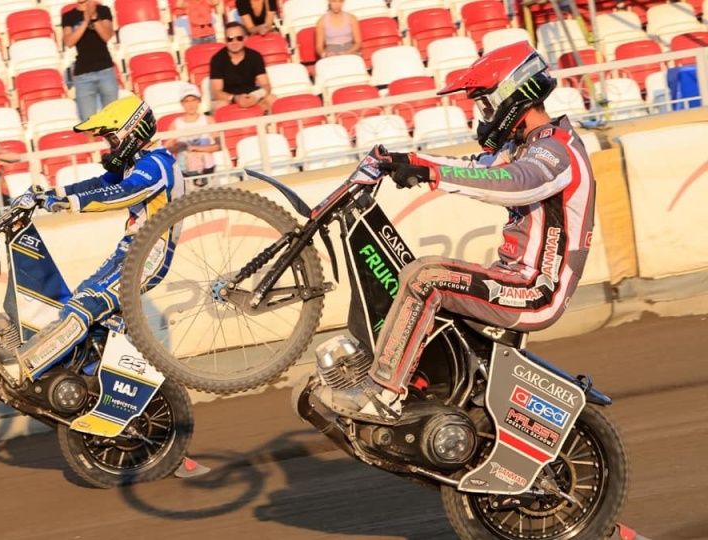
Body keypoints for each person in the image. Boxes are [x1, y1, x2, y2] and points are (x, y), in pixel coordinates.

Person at [317, 41, 596, 423]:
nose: (482, 115)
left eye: (485, 103)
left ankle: (384, 394)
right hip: (513, 279)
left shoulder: (555, 150)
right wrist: (404, 159)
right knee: (421, 283)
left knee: (425, 276)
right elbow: (472, 164)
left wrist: (433, 174)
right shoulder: (523, 147)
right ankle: (420, 389)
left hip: (536, 289)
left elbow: (515, 182)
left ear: (512, 95)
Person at [0, 95, 186, 381]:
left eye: (111, 139)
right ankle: (94, 377)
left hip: (150, 254)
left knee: (83, 306)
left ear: (132, 132)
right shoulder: (136, 163)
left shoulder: (157, 164)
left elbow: (124, 192)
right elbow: (97, 184)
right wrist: (48, 195)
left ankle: (28, 370)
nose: (109, 147)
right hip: (129, 252)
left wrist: (69, 203)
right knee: (90, 306)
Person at [62, 0, 119, 125]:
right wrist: (85, 21)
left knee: (113, 119)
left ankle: (115, 145)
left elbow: (107, 36)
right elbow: (69, 42)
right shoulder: (68, 16)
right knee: (88, 124)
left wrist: (94, 17)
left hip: (105, 70)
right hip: (83, 75)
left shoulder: (103, 11)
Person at [209, 22, 277, 112]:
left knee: (272, 99)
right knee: (221, 106)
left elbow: (266, 85)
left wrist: (256, 96)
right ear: (225, 40)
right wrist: (235, 98)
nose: (235, 42)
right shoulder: (217, 59)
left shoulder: (255, 56)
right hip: (230, 98)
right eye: (230, 39)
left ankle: (273, 126)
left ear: (245, 39)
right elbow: (217, 92)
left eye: (239, 38)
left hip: (252, 95)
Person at [165, 83, 221, 188]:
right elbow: (167, 149)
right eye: (187, 101)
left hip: (208, 170)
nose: (190, 105)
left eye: (193, 100)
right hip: (185, 172)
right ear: (182, 103)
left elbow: (219, 146)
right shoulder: (176, 124)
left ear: (198, 101)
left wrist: (194, 148)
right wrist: (180, 148)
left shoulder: (208, 120)